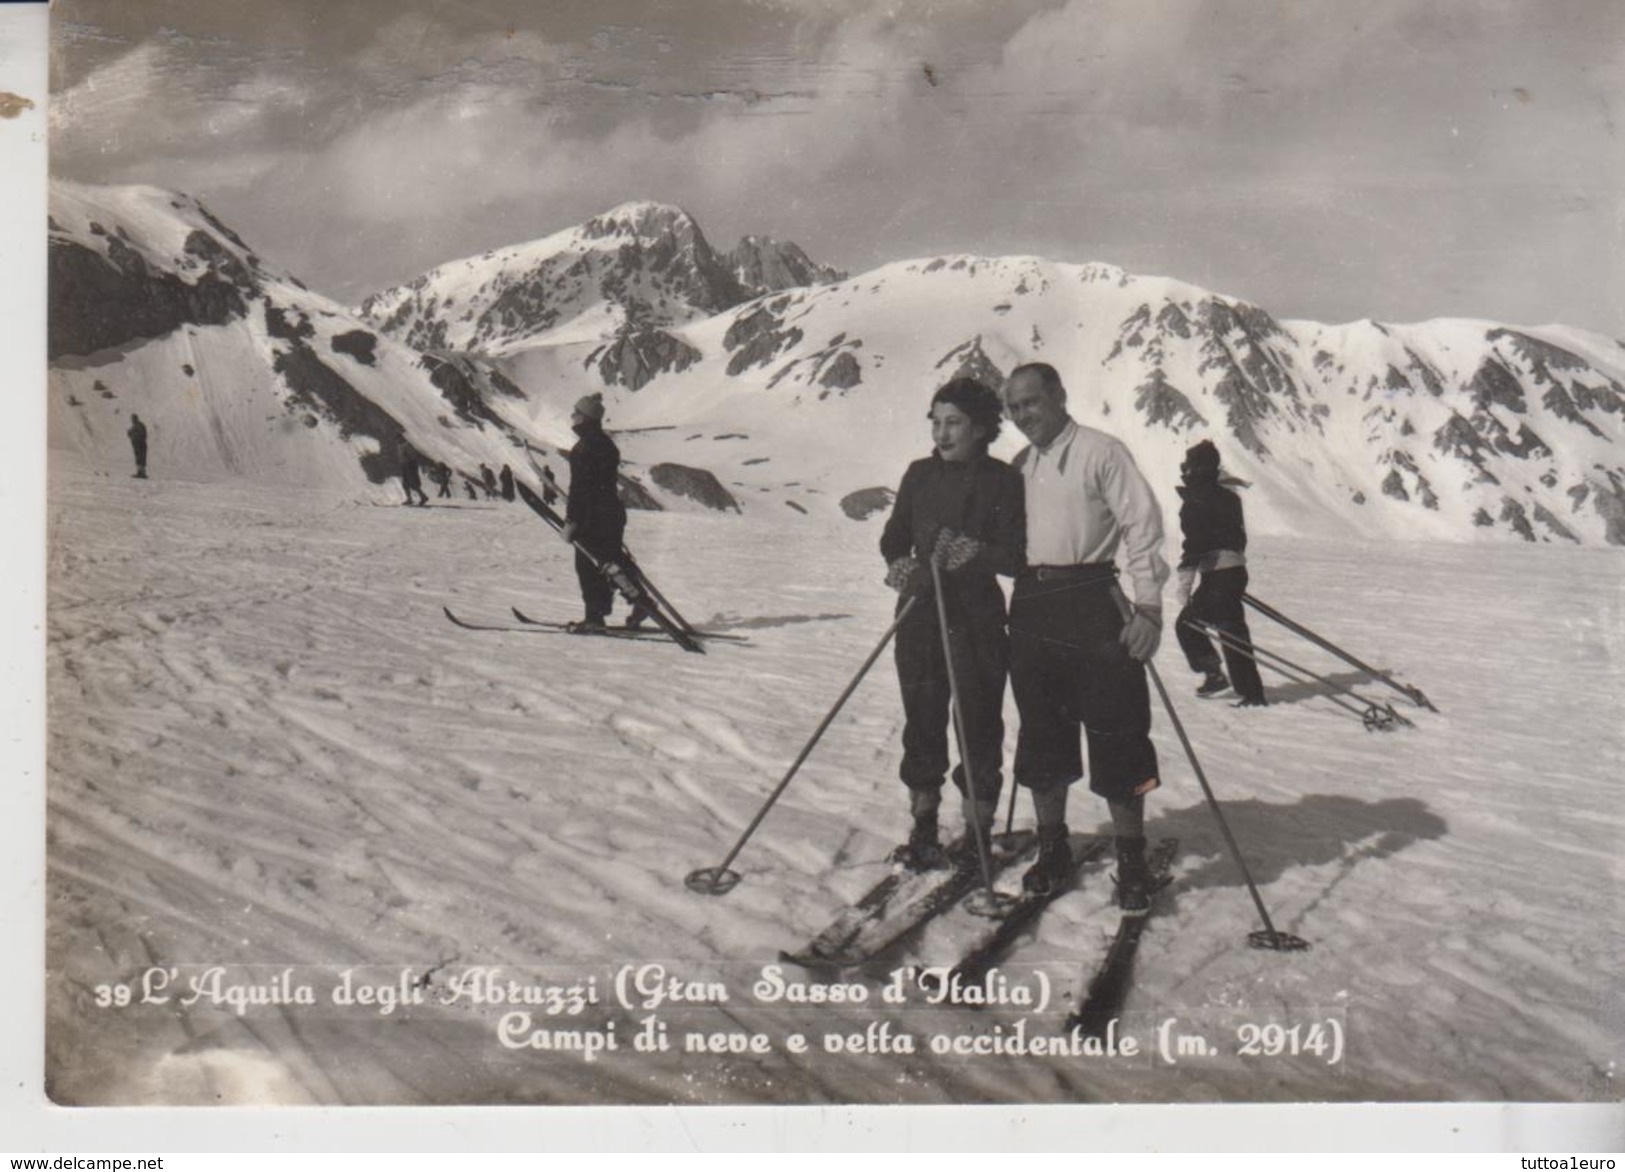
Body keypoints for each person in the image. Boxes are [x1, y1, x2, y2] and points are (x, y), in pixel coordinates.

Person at [999, 362, 1169, 907]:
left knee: (1119, 729)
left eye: (1031, 402)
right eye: (1013, 407)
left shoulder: (1101, 452)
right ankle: (1053, 848)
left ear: (1059, 397)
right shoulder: (1020, 464)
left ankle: (1132, 858)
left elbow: (1142, 526)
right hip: (1032, 604)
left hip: (1094, 600)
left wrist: (1148, 609)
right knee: (1041, 728)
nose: (1022, 415)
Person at [880, 378, 1025, 870]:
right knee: (922, 716)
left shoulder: (1003, 480)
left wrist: (978, 554)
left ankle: (977, 830)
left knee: (978, 719)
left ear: (981, 428)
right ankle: (923, 825)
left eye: (954, 423)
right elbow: (894, 537)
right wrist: (899, 565)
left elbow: (1015, 554)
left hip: (977, 615)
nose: (942, 434)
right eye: (936, 423)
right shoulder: (919, 474)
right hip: (920, 607)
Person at [1174, 440, 1266, 707]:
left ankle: (1215, 675)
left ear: (1196, 469)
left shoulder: (1196, 500)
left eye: (1187, 466)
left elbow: (1196, 542)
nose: (1185, 471)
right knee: (1233, 632)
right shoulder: (1229, 496)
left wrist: (1185, 580)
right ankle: (1251, 692)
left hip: (1217, 575)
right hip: (1236, 570)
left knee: (1187, 625)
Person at [559, 393, 651, 633]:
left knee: (589, 567)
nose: (572, 417)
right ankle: (641, 601)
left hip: (592, 517)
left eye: (576, 413)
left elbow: (580, 490)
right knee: (613, 562)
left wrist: (572, 522)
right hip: (611, 513)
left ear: (585, 418)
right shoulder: (606, 443)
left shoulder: (583, 448)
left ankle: (595, 616)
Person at [127, 413, 148, 479]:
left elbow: (142, 435)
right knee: (138, 458)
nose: (132, 420)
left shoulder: (139, 426)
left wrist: (133, 434)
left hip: (140, 444)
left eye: (133, 419)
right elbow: (131, 435)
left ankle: (142, 473)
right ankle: (140, 472)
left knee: (141, 458)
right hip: (137, 444)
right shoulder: (135, 426)